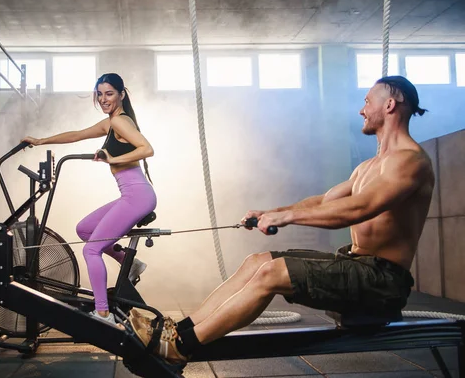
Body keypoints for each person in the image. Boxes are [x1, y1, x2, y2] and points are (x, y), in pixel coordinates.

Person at [130, 75, 434, 364]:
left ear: (391, 105)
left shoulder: (410, 161)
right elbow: (324, 201)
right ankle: (177, 331)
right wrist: (271, 212)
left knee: (271, 273)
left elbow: (361, 208)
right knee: (256, 261)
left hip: (381, 282)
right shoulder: (369, 166)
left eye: (368, 101)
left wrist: (288, 217)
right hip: (356, 264)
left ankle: (180, 349)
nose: (361, 109)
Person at [22, 73, 157, 326]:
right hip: (131, 194)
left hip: (138, 196)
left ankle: (103, 313)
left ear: (121, 95)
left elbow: (147, 149)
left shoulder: (120, 123)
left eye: (109, 93)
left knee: (91, 249)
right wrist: (41, 141)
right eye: (100, 93)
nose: (103, 99)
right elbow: (77, 135)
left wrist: (111, 159)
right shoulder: (111, 123)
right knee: (84, 229)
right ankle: (130, 261)